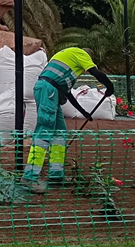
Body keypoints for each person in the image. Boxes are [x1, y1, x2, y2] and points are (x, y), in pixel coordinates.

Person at [22, 47, 114, 193]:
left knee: (60, 133)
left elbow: (68, 93)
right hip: (49, 90)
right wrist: (109, 85)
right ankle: (29, 177)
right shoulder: (82, 54)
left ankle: (56, 175)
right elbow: (95, 72)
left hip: (50, 90)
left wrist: (84, 112)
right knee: (44, 131)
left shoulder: (64, 56)